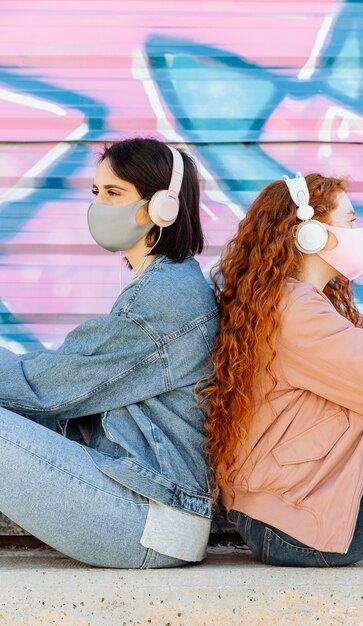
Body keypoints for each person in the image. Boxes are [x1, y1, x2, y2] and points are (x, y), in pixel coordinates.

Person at [0, 137, 219, 568]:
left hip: (151, 519)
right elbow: (63, 377)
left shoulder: (164, 298)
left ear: (163, 208)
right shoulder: (168, 283)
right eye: (96, 193)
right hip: (145, 505)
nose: (99, 206)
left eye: (114, 193)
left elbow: (46, 388)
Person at [200, 171, 363, 567]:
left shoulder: (293, 299)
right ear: (312, 234)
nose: (360, 232)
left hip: (285, 505)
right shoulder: (298, 313)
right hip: (291, 530)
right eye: (350, 221)